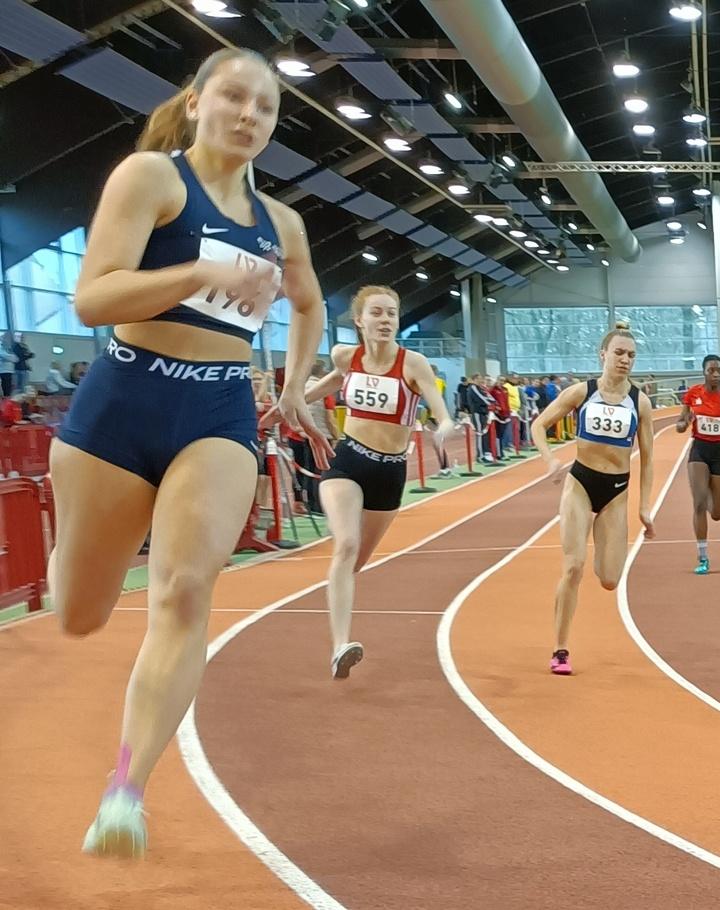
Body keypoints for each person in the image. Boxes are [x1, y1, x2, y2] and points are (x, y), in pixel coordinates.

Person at [51, 48, 332, 858]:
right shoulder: (151, 179)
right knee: (79, 615)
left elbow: (307, 304)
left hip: (215, 406)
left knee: (180, 591)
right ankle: (81, 551)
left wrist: (291, 386)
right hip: (122, 399)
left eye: (266, 108)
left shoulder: (283, 225)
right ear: (199, 101)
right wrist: (196, 270)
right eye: (234, 98)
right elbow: (92, 297)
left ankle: (124, 794)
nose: (249, 116)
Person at [301, 286, 455, 678]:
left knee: (356, 562)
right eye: (377, 313)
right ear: (360, 321)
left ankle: (339, 615)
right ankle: (339, 646)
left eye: (392, 313)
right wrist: (298, 401)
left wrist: (446, 426)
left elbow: (441, 411)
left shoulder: (413, 364)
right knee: (346, 545)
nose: (386, 320)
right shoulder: (344, 354)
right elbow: (338, 378)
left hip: (390, 472)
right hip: (348, 461)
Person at [533, 324, 655, 675]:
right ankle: (560, 649)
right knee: (573, 566)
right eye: (618, 353)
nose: (625, 360)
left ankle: (563, 642)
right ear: (603, 354)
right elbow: (539, 425)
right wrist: (550, 459)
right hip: (580, 482)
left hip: (617, 491)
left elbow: (647, 458)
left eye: (631, 355)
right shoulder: (581, 392)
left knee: (609, 579)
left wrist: (645, 506)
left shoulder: (640, 402)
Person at [676, 354, 720, 575]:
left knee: (716, 513)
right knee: (698, 504)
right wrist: (682, 423)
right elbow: (681, 421)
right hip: (700, 449)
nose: (715, 374)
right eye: (711, 370)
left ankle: (710, 492)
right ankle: (703, 557)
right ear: (704, 372)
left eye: (719, 371)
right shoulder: (693, 394)